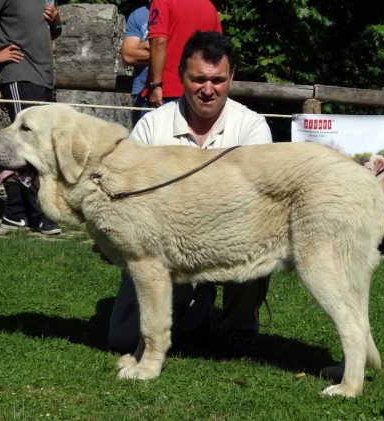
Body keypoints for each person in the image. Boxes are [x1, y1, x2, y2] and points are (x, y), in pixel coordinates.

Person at [104, 31, 272, 357]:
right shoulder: (152, 126)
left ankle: (238, 327)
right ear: (181, 74)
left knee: (262, 233)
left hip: (231, 239)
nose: (208, 90)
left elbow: (253, 201)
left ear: (231, 77)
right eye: (198, 79)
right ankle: (195, 307)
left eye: (218, 80)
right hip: (164, 249)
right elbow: (127, 196)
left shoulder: (252, 127)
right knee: (123, 341)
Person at [0, 0, 62, 235]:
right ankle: (33, 213)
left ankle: (17, 213)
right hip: (20, 76)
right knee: (24, 144)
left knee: (40, 144)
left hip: (43, 78)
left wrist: (57, 23)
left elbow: (54, 34)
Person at [143, 0, 222, 108]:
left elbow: (158, 42)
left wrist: (156, 85)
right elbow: (218, 50)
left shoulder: (162, 2)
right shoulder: (209, 6)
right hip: (201, 92)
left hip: (166, 91)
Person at [122, 2, 151, 127]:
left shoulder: (182, 10)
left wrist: (144, 45)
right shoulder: (138, 15)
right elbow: (128, 55)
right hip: (142, 95)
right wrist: (161, 48)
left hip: (175, 94)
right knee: (141, 145)